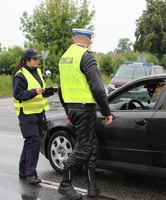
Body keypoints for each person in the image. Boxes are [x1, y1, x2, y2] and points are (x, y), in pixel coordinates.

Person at [58, 28, 113, 200]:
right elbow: (97, 87)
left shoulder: (64, 58)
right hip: (84, 108)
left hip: (73, 108)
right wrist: (106, 111)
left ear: (74, 39)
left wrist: (68, 110)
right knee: (84, 147)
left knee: (91, 144)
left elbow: (61, 89)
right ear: (88, 41)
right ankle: (65, 184)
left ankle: (91, 186)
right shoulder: (86, 56)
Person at [11, 48, 49, 184]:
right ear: (27, 60)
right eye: (34, 59)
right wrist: (34, 91)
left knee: (30, 142)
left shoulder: (37, 71)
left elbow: (38, 90)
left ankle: (23, 171)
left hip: (38, 113)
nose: (37, 60)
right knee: (34, 142)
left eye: (38, 58)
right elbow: (18, 94)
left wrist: (45, 92)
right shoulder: (20, 75)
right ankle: (31, 174)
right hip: (26, 114)